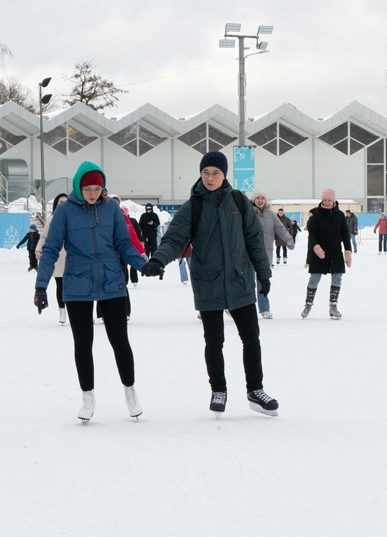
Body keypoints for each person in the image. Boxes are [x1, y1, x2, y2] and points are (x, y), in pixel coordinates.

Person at [141, 151, 279, 417]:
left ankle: (255, 390)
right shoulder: (193, 206)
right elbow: (174, 239)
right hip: (208, 281)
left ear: (225, 174)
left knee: (251, 338)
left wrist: (263, 273)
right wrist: (158, 259)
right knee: (214, 341)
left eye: (216, 173)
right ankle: (219, 390)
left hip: (239, 280)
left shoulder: (238, 201)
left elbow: (254, 240)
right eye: (206, 173)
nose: (210, 177)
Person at [34, 162, 149, 422]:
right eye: (88, 189)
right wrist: (41, 286)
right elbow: (51, 249)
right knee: (83, 343)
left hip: (111, 281)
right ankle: (87, 396)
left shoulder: (111, 209)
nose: (93, 194)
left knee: (120, 340)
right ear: (78, 186)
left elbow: (124, 243)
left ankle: (130, 391)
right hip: (77, 283)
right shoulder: (64, 211)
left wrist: (144, 265)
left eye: (98, 188)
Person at [301, 188, 352, 319]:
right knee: (314, 279)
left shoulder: (340, 215)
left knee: (337, 278)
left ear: (334, 201)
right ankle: (308, 303)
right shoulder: (317, 215)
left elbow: (345, 234)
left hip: (335, 252)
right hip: (319, 253)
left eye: (329, 200)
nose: (327, 202)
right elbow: (311, 234)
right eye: (325, 200)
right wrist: (316, 246)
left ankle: (333, 306)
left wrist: (348, 251)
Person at [251, 190, 294, 318]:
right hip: (249, 253)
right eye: (257, 198)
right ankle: (238, 308)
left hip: (265, 254)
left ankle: (264, 309)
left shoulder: (270, 214)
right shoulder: (248, 213)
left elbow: (280, 228)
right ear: (253, 200)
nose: (260, 200)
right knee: (246, 283)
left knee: (263, 282)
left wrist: (289, 239)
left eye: (262, 198)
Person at [36, 193, 69, 324]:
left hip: (72, 256)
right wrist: (39, 249)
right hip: (58, 256)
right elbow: (44, 236)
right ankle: (62, 310)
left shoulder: (74, 217)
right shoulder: (52, 219)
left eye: (65, 202)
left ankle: (80, 312)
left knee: (75, 285)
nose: (63, 204)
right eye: (60, 202)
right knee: (60, 285)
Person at [121, 205, 142, 285]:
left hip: (132, 244)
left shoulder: (133, 220)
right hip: (123, 244)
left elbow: (137, 231)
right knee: (124, 264)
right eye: (123, 210)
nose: (124, 212)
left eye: (125, 210)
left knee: (133, 263)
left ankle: (134, 280)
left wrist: (140, 240)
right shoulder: (119, 220)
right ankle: (125, 281)